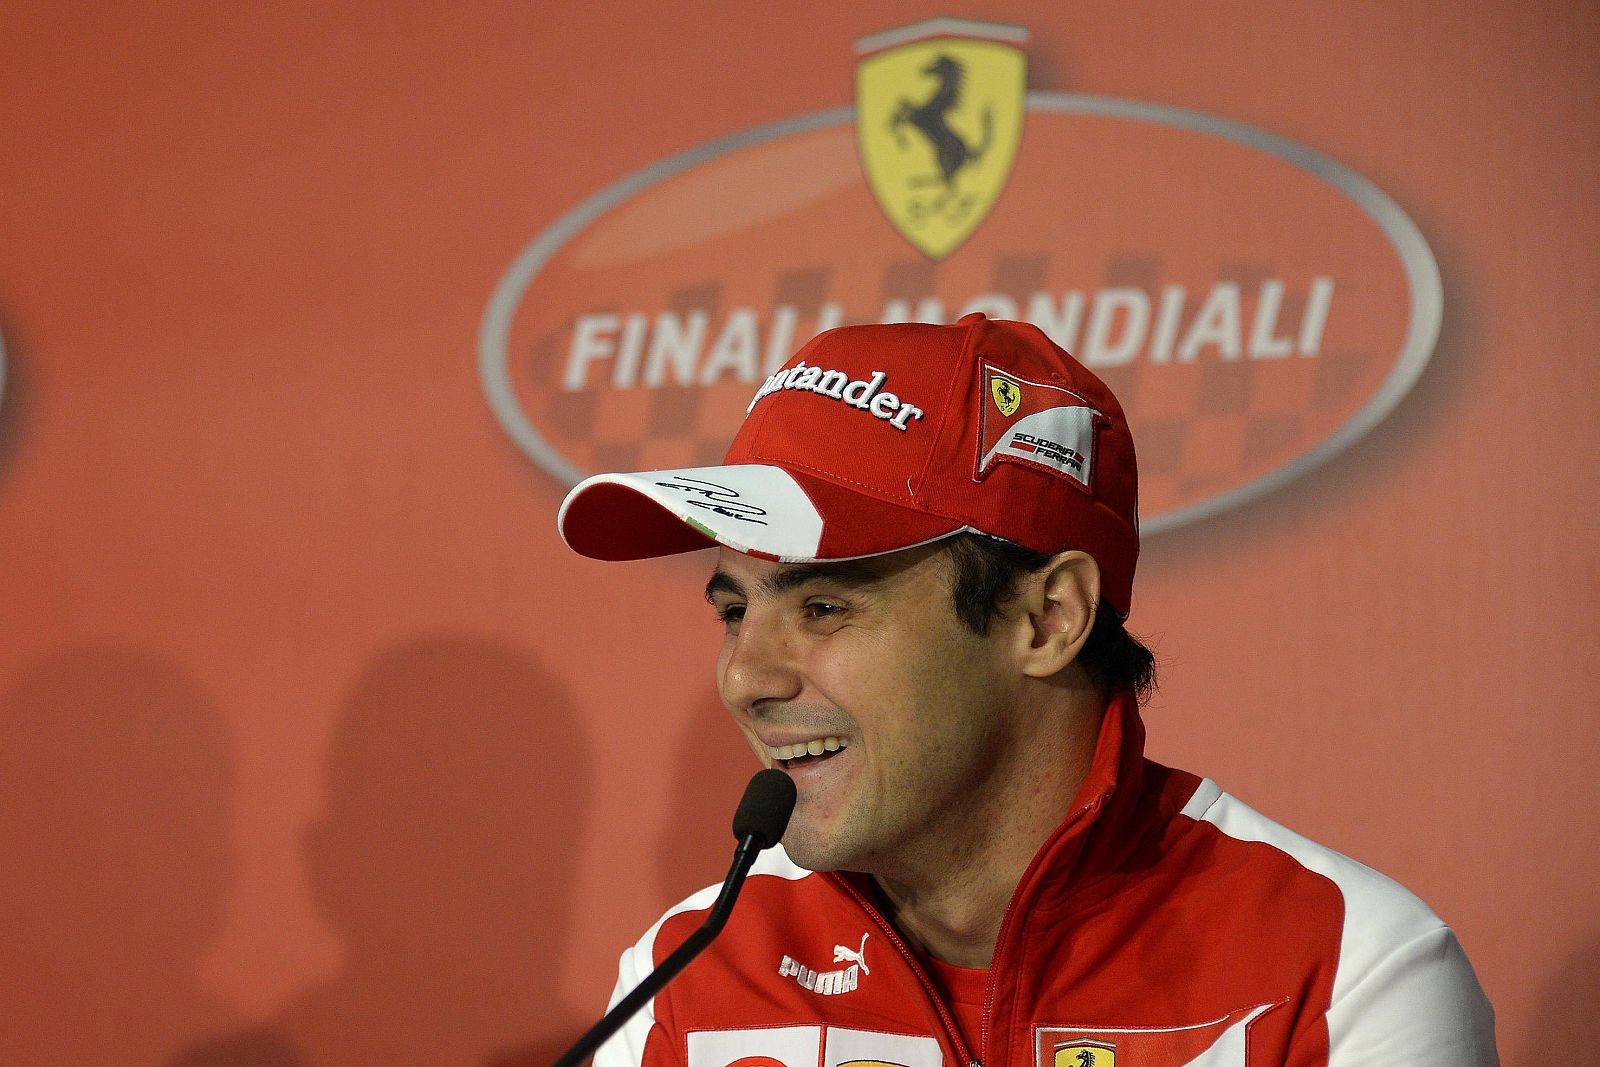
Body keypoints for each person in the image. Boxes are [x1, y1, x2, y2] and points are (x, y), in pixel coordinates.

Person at [557, 314, 1498, 1067]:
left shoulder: (1342, 971)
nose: (744, 679)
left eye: (826, 605)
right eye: (734, 612)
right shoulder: (687, 976)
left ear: (1047, 619)